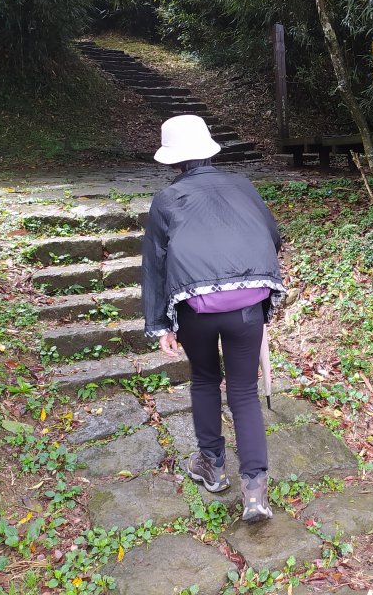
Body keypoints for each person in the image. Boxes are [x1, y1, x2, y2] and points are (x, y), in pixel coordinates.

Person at [142, 114, 284, 523]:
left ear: (172, 161)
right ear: (208, 149)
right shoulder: (243, 187)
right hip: (246, 306)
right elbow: (273, 236)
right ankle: (255, 491)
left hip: (196, 308)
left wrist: (160, 324)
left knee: (205, 379)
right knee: (243, 392)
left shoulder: (166, 201)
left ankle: (211, 465)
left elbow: (155, 263)